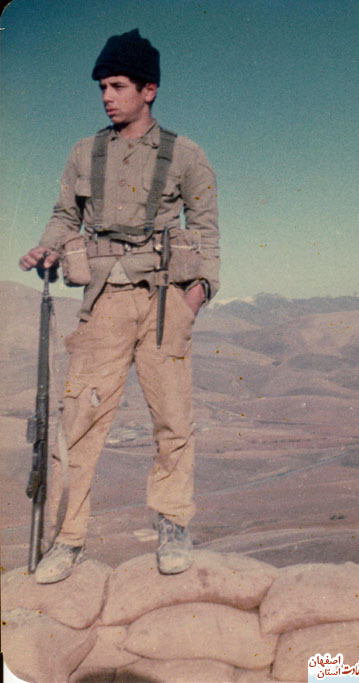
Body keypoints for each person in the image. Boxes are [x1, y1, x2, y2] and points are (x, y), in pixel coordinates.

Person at [19, 29, 220, 584]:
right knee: (79, 421)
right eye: (102, 87)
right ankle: (68, 538)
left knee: (172, 419)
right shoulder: (84, 153)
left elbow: (206, 229)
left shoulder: (186, 154)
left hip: (164, 302)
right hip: (103, 300)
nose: (107, 97)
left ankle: (173, 523)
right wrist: (48, 247)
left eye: (117, 86)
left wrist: (198, 294)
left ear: (148, 89)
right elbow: (65, 216)